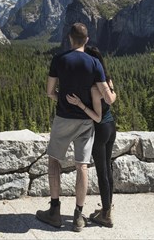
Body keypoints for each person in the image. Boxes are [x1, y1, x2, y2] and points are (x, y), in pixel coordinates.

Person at [36, 23, 116, 232]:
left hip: (63, 118)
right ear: (86, 40)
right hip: (86, 122)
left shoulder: (59, 60)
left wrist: (61, 99)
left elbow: (49, 91)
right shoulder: (94, 63)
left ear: (70, 39)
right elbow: (105, 94)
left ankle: (54, 210)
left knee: (54, 160)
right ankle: (78, 216)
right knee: (82, 166)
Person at [66, 45, 116, 228]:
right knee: (108, 169)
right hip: (112, 127)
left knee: (102, 172)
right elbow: (112, 98)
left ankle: (106, 215)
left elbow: (97, 116)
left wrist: (80, 104)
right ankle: (107, 209)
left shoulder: (95, 88)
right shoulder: (107, 80)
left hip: (101, 129)